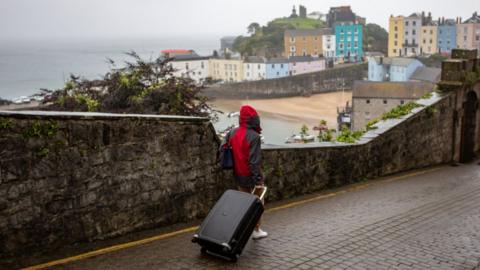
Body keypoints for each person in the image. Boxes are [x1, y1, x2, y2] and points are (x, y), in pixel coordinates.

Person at [224, 105, 267, 240]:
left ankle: (243, 229)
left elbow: (223, 148)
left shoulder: (232, 133)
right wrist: (258, 181)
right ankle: (256, 230)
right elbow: (254, 161)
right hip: (252, 176)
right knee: (257, 204)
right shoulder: (254, 136)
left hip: (238, 174)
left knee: (244, 204)